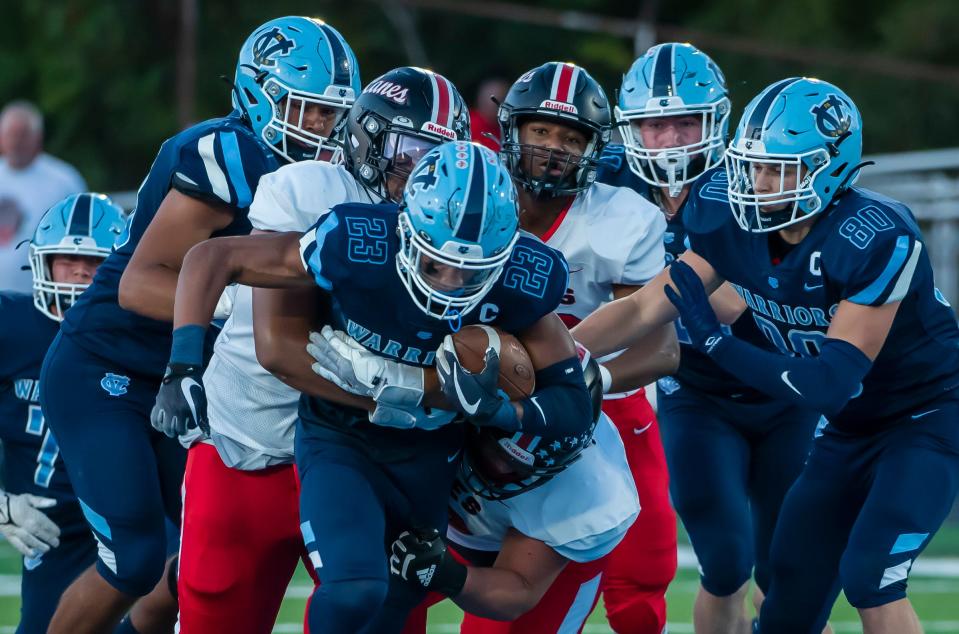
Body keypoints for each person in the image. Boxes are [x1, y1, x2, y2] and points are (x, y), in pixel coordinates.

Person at [151, 141, 593, 633]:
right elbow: (213, 256)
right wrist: (182, 364)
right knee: (354, 587)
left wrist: (501, 412)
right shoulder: (357, 240)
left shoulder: (526, 276)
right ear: (406, 230)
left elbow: (573, 406)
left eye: (471, 271)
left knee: (393, 609)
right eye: (434, 264)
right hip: (341, 438)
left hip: (430, 451)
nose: (449, 283)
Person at [572, 77, 959, 634]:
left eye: (780, 168)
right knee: (786, 605)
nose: (760, 182)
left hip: (921, 419)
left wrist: (717, 344)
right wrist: (560, 356)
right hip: (847, 431)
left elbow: (831, 384)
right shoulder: (732, 219)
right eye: (753, 165)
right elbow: (642, 310)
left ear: (829, 167)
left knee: (870, 576)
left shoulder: (875, 235)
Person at [38, 16, 359, 634]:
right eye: (308, 109)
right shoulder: (228, 153)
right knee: (131, 562)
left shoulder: (328, 175)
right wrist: (238, 307)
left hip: (195, 379)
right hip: (112, 366)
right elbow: (140, 284)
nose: (320, 128)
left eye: (331, 114)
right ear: (257, 92)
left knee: (195, 566)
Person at [169, 66, 470, 634]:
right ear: (367, 136)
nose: (421, 166)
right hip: (257, 442)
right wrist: (401, 399)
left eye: (436, 153)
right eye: (409, 146)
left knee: (380, 614)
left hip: (362, 456)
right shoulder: (311, 189)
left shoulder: (454, 220)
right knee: (219, 610)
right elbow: (277, 346)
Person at [598, 43, 822, 634]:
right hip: (694, 396)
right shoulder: (606, 181)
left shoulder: (759, 181)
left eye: (685, 123)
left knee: (788, 574)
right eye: (653, 124)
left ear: (716, 122)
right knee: (724, 566)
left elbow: (734, 304)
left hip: (785, 392)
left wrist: (673, 263)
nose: (670, 139)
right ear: (629, 127)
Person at [494, 60, 679, 633]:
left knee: (641, 576)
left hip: (602, 395)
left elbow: (660, 351)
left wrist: (568, 376)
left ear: (594, 149)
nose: (552, 148)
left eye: (570, 137)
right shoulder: (478, 197)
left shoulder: (623, 218)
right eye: (540, 131)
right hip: (482, 389)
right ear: (512, 131)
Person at [393, 353, 638, 633]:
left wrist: (446, 574)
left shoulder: (588, 491)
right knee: (364, 596)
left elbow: (518, 590)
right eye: (495, 449)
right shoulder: (444, 391)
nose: (499, 468)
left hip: (542, 558)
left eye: (518, 465)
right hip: (443, 519)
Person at [0, 193, 125, 633]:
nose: (80, 272)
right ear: (41, 262)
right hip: (53, 526)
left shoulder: (145, 331)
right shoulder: (9, 323)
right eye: (67, 258)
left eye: (93, 262)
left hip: (135, 513)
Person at [0, 101, 86, 292]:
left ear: (37, 138)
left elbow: (82, 239)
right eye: (11, 135)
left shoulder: (64, 181)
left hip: (44, 299)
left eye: (22, 135)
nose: (16, 142)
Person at [470, 77, 508, 151]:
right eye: (488, 100)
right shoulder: (467, 123)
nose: (491, 105)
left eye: (499, 99)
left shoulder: (507, 130)